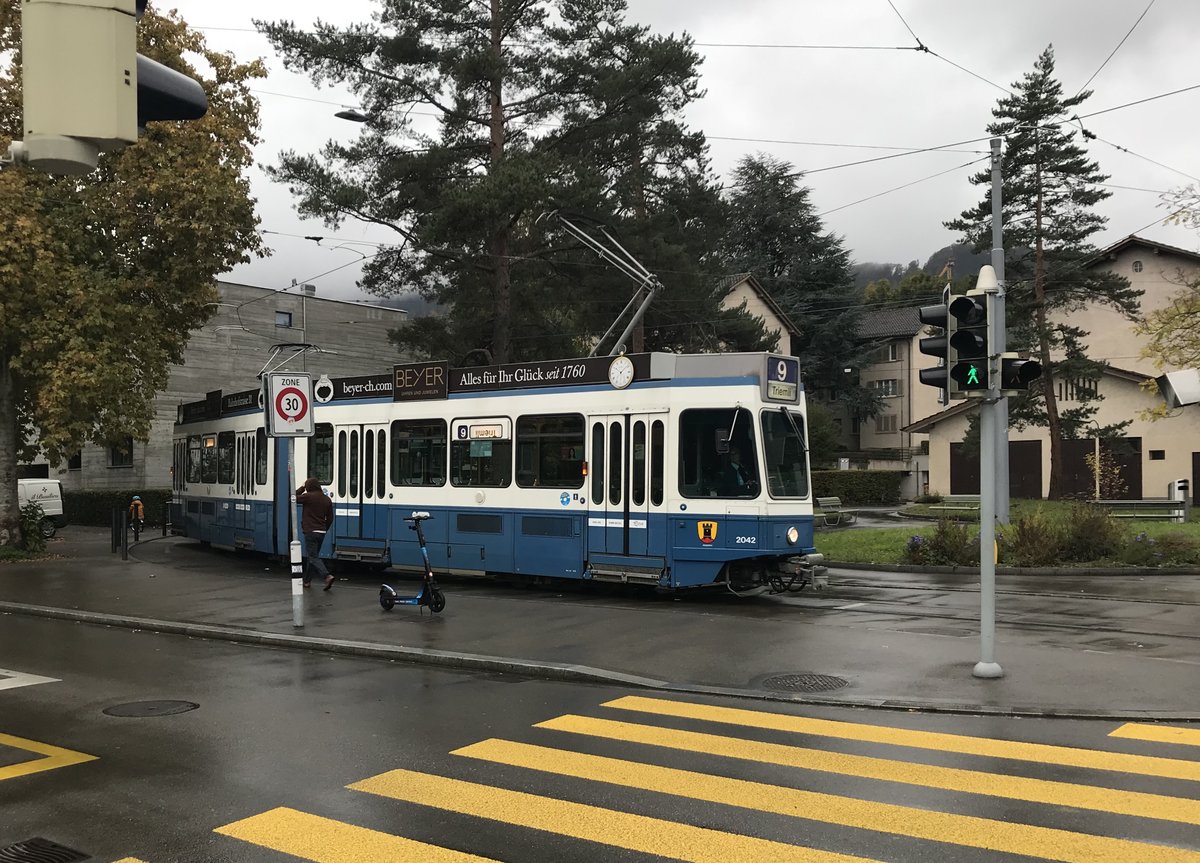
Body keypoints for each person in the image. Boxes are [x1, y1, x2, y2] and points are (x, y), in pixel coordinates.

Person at [296, 477, 334, 590]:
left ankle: (327, 576)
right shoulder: (327, 499)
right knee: (312, 557)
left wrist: (302, 488)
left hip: (310, 531)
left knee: (313, 557)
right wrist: (324, 529)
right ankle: (307, 581)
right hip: (321, 532)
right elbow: (330, 518)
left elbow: (292, 498)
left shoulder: (308, 497)